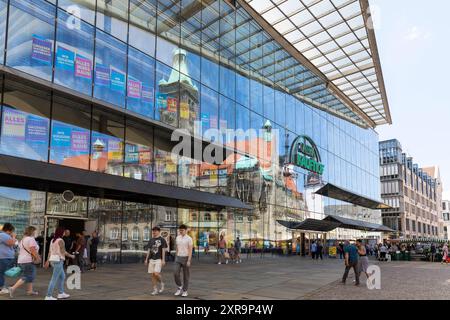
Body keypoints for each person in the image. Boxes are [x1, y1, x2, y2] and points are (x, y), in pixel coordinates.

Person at [9, 226, 41, 298]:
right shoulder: (31, 239)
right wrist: (38, 258)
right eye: (35, 231)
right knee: (28, 276)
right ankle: (12, 288)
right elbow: (32, 250)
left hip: (21, 260)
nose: (35, 233)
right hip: (28, 260)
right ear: (32, 231)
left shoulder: (23, 239)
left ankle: (30, 291)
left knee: (29, 275)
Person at [44, 227, 75, 300]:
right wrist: (71, 256)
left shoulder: (52, 240)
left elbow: (50, 252)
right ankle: (48, 296)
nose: (65, 233)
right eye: (64, 232)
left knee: (62, 276)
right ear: (61, 232)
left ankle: (61, 293)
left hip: (53, 260)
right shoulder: (61, 240)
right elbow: (63, 252)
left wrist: (47, 261)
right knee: (54, 279)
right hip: (58, 261)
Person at [145, 227, 167, 296]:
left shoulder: (162, 240)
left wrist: (163, 259)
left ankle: (161, 283)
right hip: (151, 259)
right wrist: (146, 259)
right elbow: (149, 250)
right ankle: (155, 290)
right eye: (153, 231)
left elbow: (163, 250)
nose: (154, 232)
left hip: (158, 259)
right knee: (152, 275)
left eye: (155, 231)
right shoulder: (151, 240)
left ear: (159, 231)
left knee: (156, 273)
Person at [174, 225, 193, 297]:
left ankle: (185, 291)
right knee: (175, 273)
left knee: (186, 275)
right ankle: (179, 286)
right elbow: (177, 248)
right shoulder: (177, 237)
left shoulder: (189, 239)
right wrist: (176, 256)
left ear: (186, 230)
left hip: (186, 258)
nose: (180, 231)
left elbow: (190, 250)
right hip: (178, 257)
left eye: (182, 230)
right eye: (180, 230)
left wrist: (189, 260)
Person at [0, 223, 17, 295]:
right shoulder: (3, 235)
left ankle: (2, 286)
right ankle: (2, 287)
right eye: (12, 230)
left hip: (5, 257)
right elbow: (11, 243)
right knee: (1, 273)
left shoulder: (5, 235)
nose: (13, 232)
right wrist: (13, 237)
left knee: (2, 272)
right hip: (4, 257)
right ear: (9, 230)